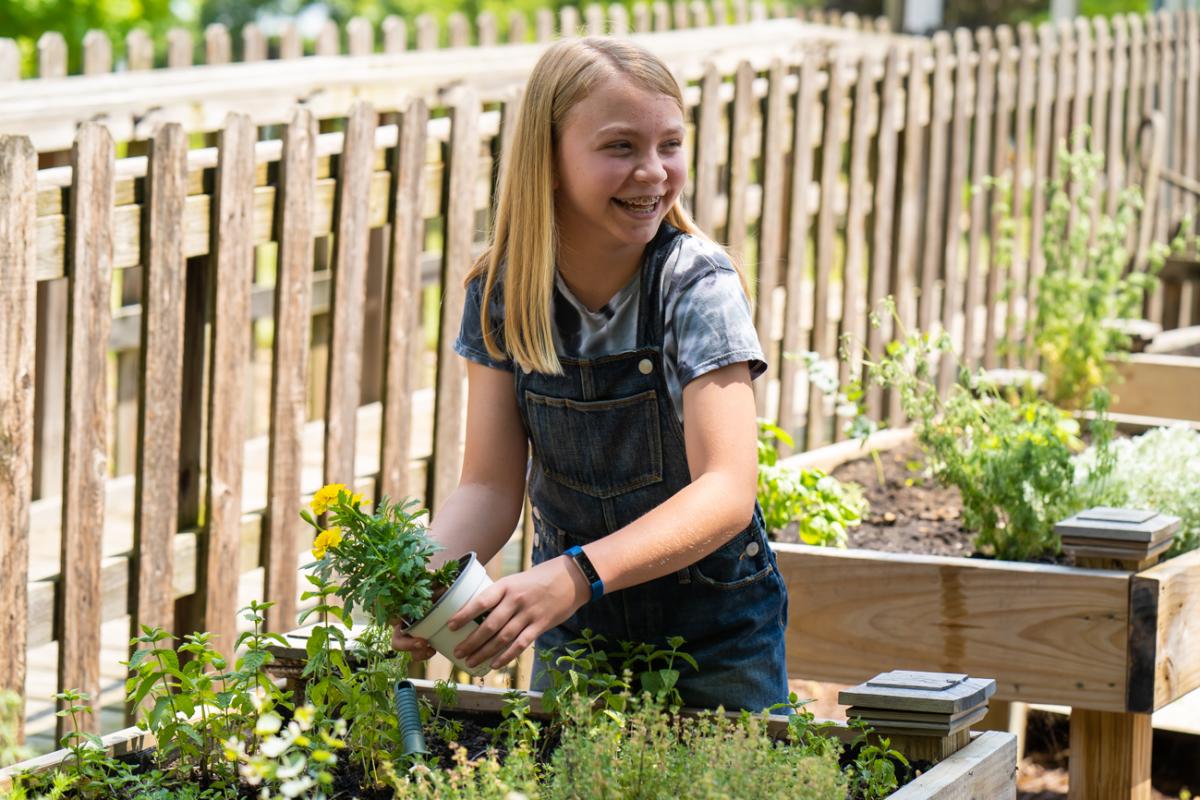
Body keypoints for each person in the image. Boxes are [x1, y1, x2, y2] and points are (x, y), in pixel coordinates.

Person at [391, 36, 789, 712]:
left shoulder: (695, 282)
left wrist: (574, 575)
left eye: (670, 144)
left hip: (718, 632)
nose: (653, 172)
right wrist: (419, 578)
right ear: (547, 160)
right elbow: (488, 487)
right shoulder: (504, 291)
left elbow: (727, 490)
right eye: (620, 147)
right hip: (579, 634)